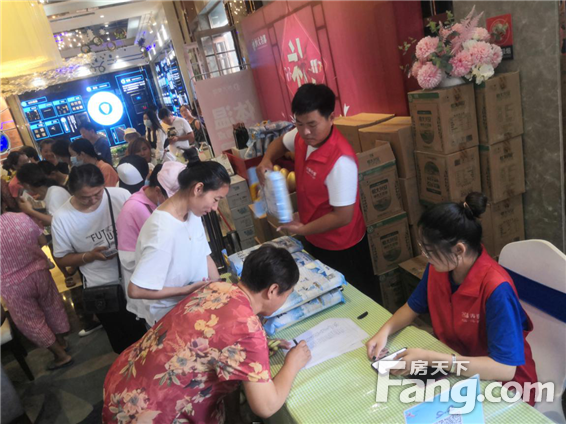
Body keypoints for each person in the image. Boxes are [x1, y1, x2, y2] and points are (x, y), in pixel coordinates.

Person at [102, 245, 311, 423]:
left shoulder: (217, 287)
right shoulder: (248, 327)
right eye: (287, 294)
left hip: (122, 383)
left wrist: (260, 349)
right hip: (148, 414)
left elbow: (218, 342)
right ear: (273, 290)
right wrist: (292, 363)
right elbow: (266, 406)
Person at [366, 192, 539, 405]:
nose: (425, 257)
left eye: (429, 251)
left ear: (459, 250)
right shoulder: (439, 268)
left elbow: (505, 369)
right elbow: (412, 307)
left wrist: (430, 358)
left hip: (506, 389)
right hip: (457, 367)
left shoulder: (496, 289)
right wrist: (384, 332)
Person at [256, 83, 377, 301]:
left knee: (355, 299)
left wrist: (303, 228)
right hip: (313, 236)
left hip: (342, 247)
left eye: (312, 124)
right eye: (299, 124)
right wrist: (267, 159)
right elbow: (281, 143)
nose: (305, 132)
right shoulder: (303, 137)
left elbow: (343, 216)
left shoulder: (341, 160)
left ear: (331, 117)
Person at [51, 164, 147, 353]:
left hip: (137, 278)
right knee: (124, 344)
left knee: (149, 333)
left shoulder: (119, 196)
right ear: (72, 192)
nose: (93, 200)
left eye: (98, 194)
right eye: (84, 197)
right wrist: (89, 256)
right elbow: (61, 259)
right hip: (103, 288)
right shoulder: (62, 218)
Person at [128, 149, 229, 325]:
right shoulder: (162, 231)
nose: (215, 207)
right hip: (171, 318)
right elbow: (136, 290)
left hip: (197, 306)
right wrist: (186, 290)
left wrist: (220, 288)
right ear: (198, 189)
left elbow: (204, 256)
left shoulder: (193, 213)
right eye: (216, 199)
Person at [0, 211, 73, 370]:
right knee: (52, 307)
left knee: (30, 322)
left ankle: (61, 355)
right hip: (40, 271)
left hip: (13, 286)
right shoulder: (20, 217)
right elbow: (42, 241)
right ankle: (62, 342)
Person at [116, 162, 184, 325]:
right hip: (152, 293)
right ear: (158, 191)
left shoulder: (154, 203)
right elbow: (129, 259)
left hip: (168, 290)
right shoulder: (134, 209)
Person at [17, 162, 75, 287]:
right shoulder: (50, 191)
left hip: (73, 236)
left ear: (26, 184)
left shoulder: (54, 193)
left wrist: (30, 211)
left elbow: (55, 221)